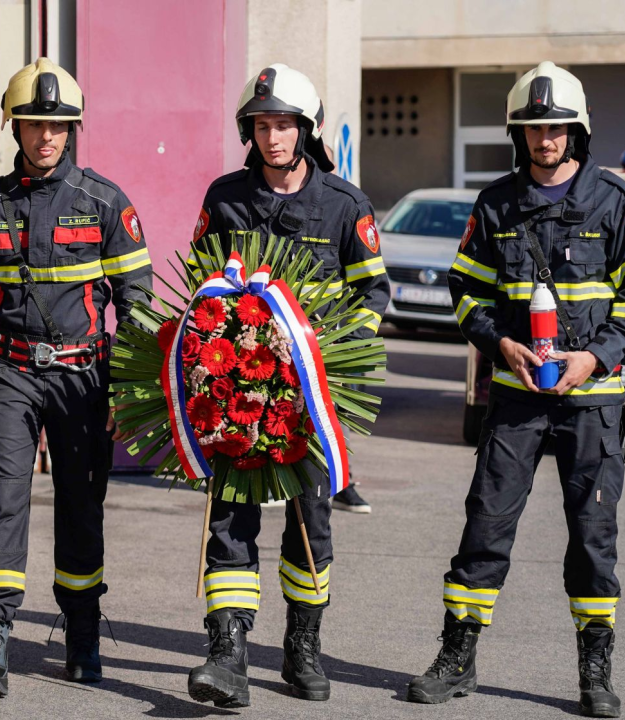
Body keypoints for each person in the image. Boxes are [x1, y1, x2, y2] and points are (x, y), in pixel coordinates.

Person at [405, 62, 625, 718]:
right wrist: (500, 343)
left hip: (592, 400)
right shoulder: (495, 203)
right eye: (531, 128)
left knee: (591, 535)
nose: (543, 139)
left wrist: (596, 356)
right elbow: (463, 290)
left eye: (554, 128)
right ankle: (456, 658)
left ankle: (594, 671)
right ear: (515, 135)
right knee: (484, 527)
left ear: (574, 132)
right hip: (515, 397)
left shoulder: (613, 201)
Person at [0, 57, 152, 698]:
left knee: (80, 509)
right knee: (1, 502)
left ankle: (83, 637)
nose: (46, 137)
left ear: (73, 130)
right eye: (35, 124)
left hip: (84, 379)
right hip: (8, 373)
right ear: (15, 127)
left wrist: (126, 389)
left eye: (58, 126)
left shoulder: (106, 203)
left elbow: (136, 304)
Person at [184, 64, 390, 708]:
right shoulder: (225, 197)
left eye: (285, 125)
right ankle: (227, 655)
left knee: (310, 526)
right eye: (263, 125)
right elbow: (198, 284)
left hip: (307, 398)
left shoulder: (345, 204)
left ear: (308, 129)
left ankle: (302, 648)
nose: (274, 138)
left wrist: (329, 352)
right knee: (230, 520)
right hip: (237, 396)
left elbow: (374, 293)